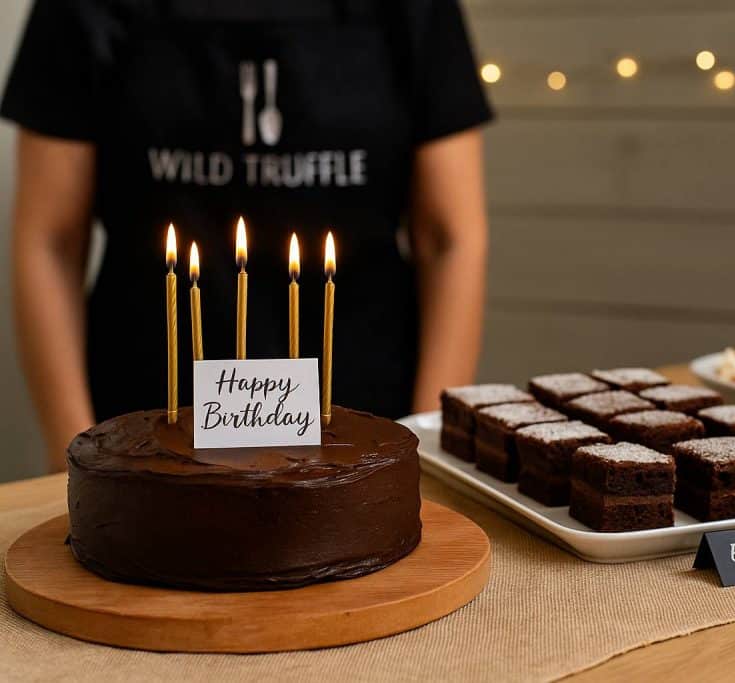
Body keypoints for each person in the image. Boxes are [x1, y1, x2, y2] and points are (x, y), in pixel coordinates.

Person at [2, 0, 492, 471]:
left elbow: (448, 237)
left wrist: (428, 447)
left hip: (366, 410)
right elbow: (52, 240)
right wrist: (70, 449)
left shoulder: (415, 9)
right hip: (141, 419)